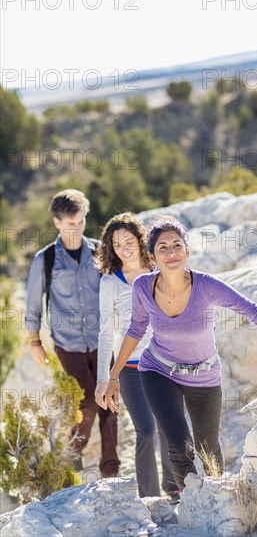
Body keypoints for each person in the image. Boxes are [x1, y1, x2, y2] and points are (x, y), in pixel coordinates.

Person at [104, 218, 257, 490]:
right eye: (163, 248)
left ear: (187, 251)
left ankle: (216, 496)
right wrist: (114, 375)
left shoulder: (207, 286)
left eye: (177, 245)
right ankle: (191, 500)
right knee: (179, 445)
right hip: (158, 371)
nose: (171, 252)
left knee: (208, 449)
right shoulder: (143, 286)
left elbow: (252, 310)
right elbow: (135, 328)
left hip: (204, 376)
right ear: (151, 256)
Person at [25, 189, 119, 478]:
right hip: (68, 346)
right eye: (70, 224)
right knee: (87, 402)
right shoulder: (46, 260)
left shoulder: (99, 252)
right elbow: (33, 301)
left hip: (102, 341)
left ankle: (110, 469)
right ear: (57, 223)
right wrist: (35, 341)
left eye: (80, 223)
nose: (76, 229)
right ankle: (70, 458)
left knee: (111, 404)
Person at [94, 213, 180, 500]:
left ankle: (175, 488)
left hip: (165, 363)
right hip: (130, 367)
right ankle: (150, 498)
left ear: (140, 240)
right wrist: (103, 379)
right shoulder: (109, 282)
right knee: (145, 431)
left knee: (170, 427)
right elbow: (106, 332)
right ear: (111, 248)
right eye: (117, 244)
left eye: (129, 241)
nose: (124, 248)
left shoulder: (159, 268)